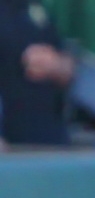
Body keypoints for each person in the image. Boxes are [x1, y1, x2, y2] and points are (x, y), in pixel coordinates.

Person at [0, 0, 74, 145]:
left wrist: (58, 65)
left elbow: (68, 67)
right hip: (10, 140)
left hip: (49, 135)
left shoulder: (36, 8)